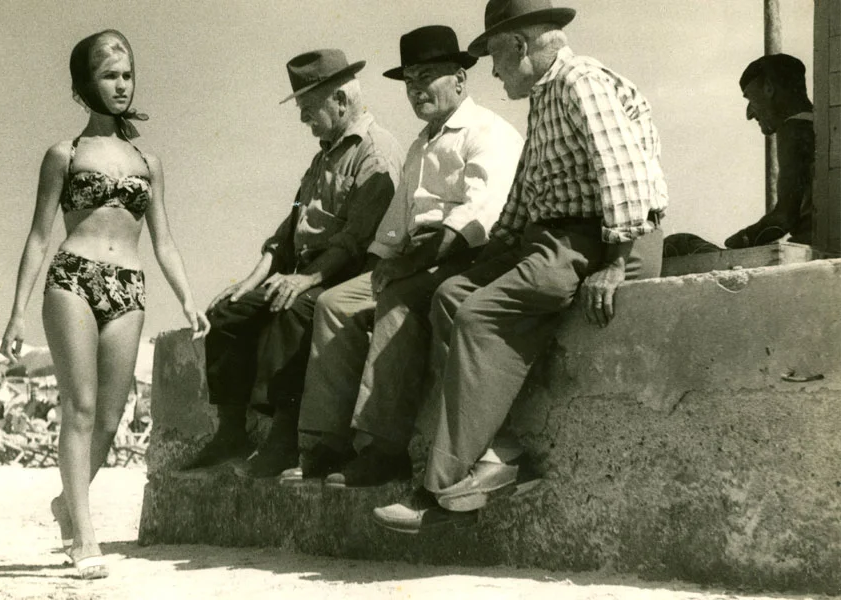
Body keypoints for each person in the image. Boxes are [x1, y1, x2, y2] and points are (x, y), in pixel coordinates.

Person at [372, 0, 668, 534]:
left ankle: (439, 491)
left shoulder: (582, 82)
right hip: (554, 236)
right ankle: (496, 452)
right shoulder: (545, 95)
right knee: (451, 294)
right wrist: (487, 261)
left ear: (519, 46)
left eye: (494, 56)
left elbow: (623, 176)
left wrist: (618, 263)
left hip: (596, 237)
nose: (492, 69)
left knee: (480, 316)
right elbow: (522, 202)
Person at [0, 30, 210, 578]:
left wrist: (188, 300)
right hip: (72, 279)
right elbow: (38, 237)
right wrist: (17, 312)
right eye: (109, 76)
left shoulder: (148, 159)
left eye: (127, 75)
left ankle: (66, 503)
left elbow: (163, 239)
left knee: (112, 419)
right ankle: (84, 540)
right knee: (82, 407)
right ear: (83, 86)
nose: (122, 85)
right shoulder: (63, 155)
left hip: (130, 288)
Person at [284, 26, 523, 488]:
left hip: (467, 255)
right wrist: (383, 263)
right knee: (335, 304)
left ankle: (383, 447)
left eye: (427, 76)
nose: (416, 90)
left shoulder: (487, 132)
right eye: (409, 81)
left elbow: (479, 218)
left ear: (459, 78)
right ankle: (325, 442)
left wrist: (403, 268)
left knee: (397, 299)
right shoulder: (421, 145)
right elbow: (395, 224)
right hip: (418, 255)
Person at [185, 49, 403, 478]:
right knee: (225, 313)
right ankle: (231, 432)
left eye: (308, 110)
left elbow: (356, 240)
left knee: (293, 310)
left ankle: (284, 438)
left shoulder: (376, 153)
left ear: (340, 100)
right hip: (306, 270)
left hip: (344, 274)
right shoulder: (323, 156)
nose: (304, 121)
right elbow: (288, 231)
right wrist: (249, 280)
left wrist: (304, 280)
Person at [663, 54, 814, 257]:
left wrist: (736, 242)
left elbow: (783, 219)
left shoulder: (794, 128)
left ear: (769, 88)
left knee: (676, 244)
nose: (749, 113)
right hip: (817, 247)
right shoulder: (819, 125)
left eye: (750, 99)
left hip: (809, 252)